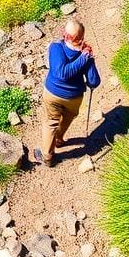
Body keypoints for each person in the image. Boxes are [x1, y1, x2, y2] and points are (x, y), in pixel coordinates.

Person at [34, 19, 101, 167]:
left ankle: (47, 156)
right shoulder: (86, 53)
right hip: (74, 97)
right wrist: (86, 59)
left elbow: (61, 73)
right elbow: (94, 82)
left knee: (50, 122)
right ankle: (58, 139)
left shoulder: (56, 48)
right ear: (81, 37)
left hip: (53, 93)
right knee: (67, 118)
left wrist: (84, 58)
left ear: (65, 35)